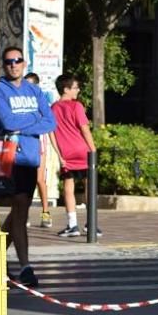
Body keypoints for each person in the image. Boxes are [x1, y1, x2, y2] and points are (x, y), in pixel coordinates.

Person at [0, 46, 55, 287]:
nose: (13, 64)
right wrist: (33, 119)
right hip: (7, 158)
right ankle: (25, 266)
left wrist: (22, 125)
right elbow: (6, 121)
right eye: (8, 62)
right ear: (4, 65)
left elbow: (50, 122)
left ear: (25, 63)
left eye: (17, 60)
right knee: (20, 209)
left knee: (19, 211)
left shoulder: (35, 90)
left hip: (30, 159)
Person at [48, 74, 98, 238]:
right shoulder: (77, 106)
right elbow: (85, 129)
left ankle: (72, 225)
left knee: (68, 189)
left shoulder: (53, 108)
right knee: (89, 186)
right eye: (75, 87)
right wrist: (93, 150)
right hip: (82, 151)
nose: (78, 90)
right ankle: (91, 224)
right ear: (66, 89)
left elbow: (52, 134)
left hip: (66, 154)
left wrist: (59, 154)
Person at [23, 71, 52, 228]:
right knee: (25, 181)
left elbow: (50, 127)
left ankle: (46, 212)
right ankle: (24, 214)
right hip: (23, 144)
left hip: (39, 144)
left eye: (30, 84)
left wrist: (57, 150)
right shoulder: (19, 102)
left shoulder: (42, 104)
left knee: (40, 180)